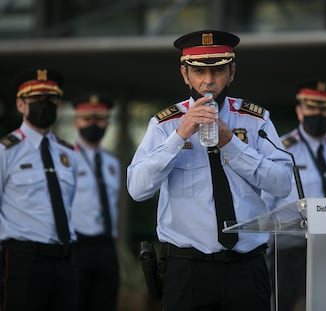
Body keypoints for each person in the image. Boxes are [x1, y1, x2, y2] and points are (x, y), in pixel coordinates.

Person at [127, 29, 293, 311]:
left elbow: (282, 184)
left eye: (217, 70)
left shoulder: (256, 121)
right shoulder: (165, 124)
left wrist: (231, 144)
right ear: (185, 74)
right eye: (198, 71)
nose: (208, 81)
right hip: (187, 268)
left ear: (232, 72)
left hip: (246, 267)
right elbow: (138, 189)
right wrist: (179, 136)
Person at [262, 80, 326, 311]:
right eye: (312, 107)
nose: (318, 114)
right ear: (299, 110)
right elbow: (264, 203)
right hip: (290, 247)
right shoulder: (282, 149)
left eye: (325, 109)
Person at [0, 67, 78, 311]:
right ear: (20, 105)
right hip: (21, 260)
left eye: (51, 99)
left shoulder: (68, 153)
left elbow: (68, 205)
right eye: (35, 99)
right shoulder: (6, 151)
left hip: (64, 259)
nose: (44, 105)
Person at [71, 93, 120, 311]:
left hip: (106, 245)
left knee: (106, 303)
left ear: (107, 122)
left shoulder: (112, 162)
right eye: (87, 118)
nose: (93, 124)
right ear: (76, 122)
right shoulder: (66, 158)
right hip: (76, 245)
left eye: (99, 119)